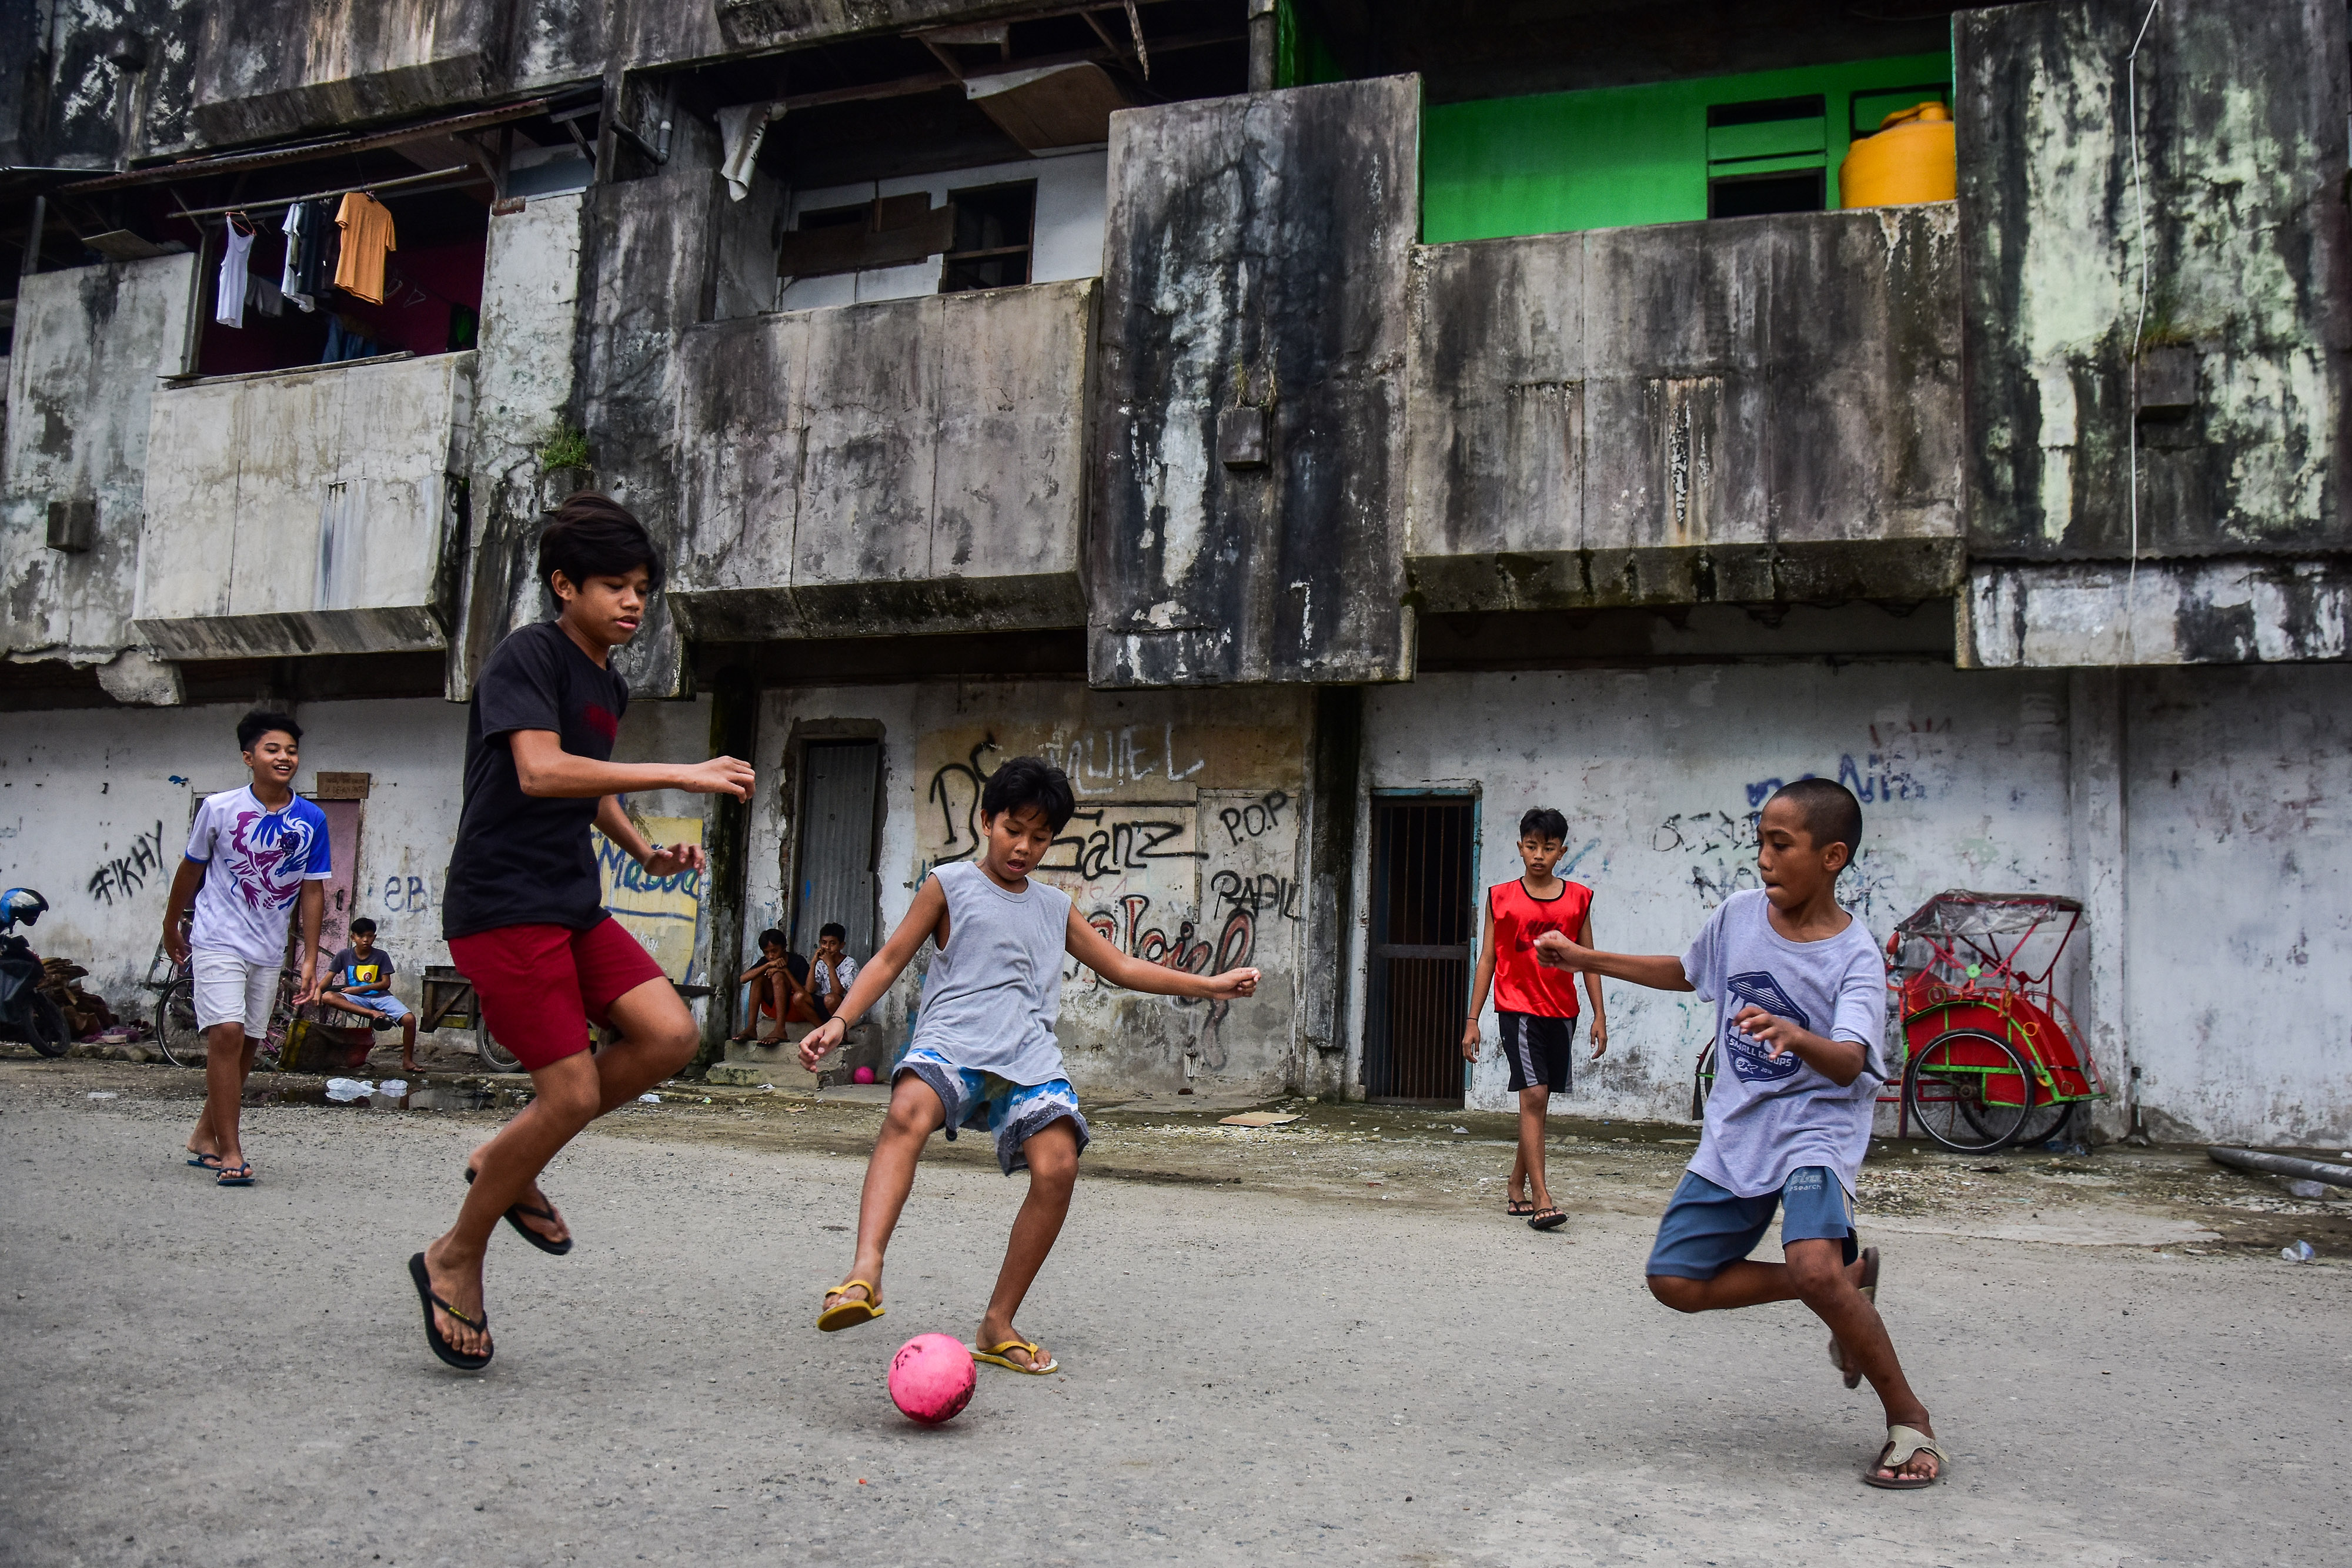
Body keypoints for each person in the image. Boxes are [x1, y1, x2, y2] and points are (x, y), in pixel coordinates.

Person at [406, 493, 755, 1372]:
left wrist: (642, 844)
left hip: (569, 898)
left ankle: (503, 1155)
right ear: (565, 585)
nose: (633, 602)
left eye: (641, 587)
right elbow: (540, 767)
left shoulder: (605, 677)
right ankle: (456, 1251)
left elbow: (587, 781)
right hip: (502, 902)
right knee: (565, 1095)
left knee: (672, 1033)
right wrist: (681, 768)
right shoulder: (529, 654)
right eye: (613, 585)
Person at [1534, 778, 1943, 1489]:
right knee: (1674, 1281)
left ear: (1832, 856)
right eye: (1760, 841)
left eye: (1780, 845)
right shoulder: (1738, 917)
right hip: (1738, 1128)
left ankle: (1910, 1423)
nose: (1763, 858)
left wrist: (1793, 1032)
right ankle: (1842, 1287)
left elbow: (1850, 1063)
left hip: (1815, 1128)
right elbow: (1687, 972)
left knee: (1814, 1265)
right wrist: (1584, 959)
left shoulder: (1854, 957)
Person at [799, 756, 1258, 1375]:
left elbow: (1120, 967)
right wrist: (838, 1021)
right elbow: (886, 962)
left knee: (1059, 1163)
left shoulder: (1052, 906)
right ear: (986, 820)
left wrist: (1210, 986)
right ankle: (864, 1273)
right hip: (952, 1046)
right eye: (1014, 829)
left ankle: (997, 1323)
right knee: (908, 1110)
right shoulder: (948, 885)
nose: (1024, 847)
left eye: (1040, 837)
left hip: (1026, 1059)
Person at [162, 711, 332, 1188]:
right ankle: (230, 1150)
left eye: (291, 750)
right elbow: (191, 870)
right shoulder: (218, 808)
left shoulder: (311, 819)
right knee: (229, 1033)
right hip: (217, 937)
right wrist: (171, 922)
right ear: (248, 757)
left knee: (248, 1043)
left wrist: (310, 958)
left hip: (268, 946)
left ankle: (202, 1134)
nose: (284, 757)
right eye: (273, 749)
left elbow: (313, 890)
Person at [1460, 806, 1607, 1231]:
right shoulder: (1500, 897)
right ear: (1520, 847)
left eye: (1548, 847)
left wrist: (1600, 1014)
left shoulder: (1579, 898)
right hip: (1517, 1009)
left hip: (1562, 1012)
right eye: (1531, 846)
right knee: (1535, 1096)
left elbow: (1590, 961)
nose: (1539, 854)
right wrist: (1474, 1019)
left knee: (1537, 1103)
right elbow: (1487, 957)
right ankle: (1543, 1198)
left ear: (1562, 851)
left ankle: (1515, 1184)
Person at [318, 917, 419, 1073]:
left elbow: (386, 983)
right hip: (358, 1001)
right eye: (361, 936)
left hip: (381, 997)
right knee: (328, 996)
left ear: (375, 937)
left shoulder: (381, 956)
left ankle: (408, 1061)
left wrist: (358, 989)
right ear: (353, 938)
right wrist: (317, 992)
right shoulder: (344, 955)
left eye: (370, 936)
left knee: (410, 1019)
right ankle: (374, 1014)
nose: (366, 940)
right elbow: (328, 979)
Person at [729, 928, 818, 1044]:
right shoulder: (766, 961)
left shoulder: (798, 961)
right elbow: (743, 979)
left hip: (798, 1009)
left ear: (784, 947)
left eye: (774, 951)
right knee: (757, 977)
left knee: (777, 976)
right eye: (766, 953)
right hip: (773, 1009)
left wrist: (784, 971)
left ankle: (780, 1030)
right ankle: (751, 1028)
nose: (771, 956)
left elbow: (805, 994)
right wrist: (768, 965)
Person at [808, 922, 859, 1019]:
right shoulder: (820, 963)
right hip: (827, 1007)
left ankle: (841, 1031)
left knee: (830, 999)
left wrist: (830, 964)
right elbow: (809, 990)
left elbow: (837, 991)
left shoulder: (850, 963)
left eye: (833, 944)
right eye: (824, 943)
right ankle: (820, 1028)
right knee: (799, 997)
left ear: (841, 945)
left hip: (847, 1010)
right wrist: (814, 962)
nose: (827, 948)